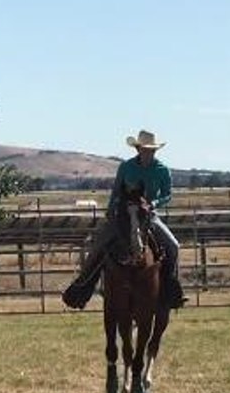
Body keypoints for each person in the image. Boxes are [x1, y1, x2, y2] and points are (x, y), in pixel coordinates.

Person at [62, 130, 185, 310]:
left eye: (151, 150)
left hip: (149, 215)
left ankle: (170, 290)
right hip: (122, 216)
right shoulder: (126, 167)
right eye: (144, 149)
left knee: (173, 246)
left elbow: (167, 195)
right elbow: (116, 191)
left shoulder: (162, 170)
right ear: (138, 149)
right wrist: (111, 211)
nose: (148, 152)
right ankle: (81, 288)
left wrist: (153, 204)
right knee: (98, 246)